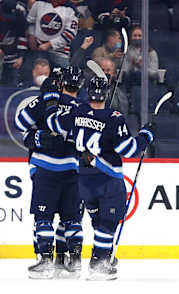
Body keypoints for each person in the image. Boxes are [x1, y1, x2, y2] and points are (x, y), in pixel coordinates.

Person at [45, 76, 157, 280]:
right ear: (105, 93)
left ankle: (104, 257)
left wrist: (52, 104)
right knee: (108, 221)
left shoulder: (76, 111)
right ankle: (99, 262)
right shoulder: (113, 117)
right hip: (108, 178)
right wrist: (145, 136)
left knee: (98, 220)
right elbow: (128, 149)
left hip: (84, 180)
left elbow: (55, 124)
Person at [14, 66, 85, 279]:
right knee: (71, 218)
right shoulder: (82, 108)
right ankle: (73, 261)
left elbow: (20, 124)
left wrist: (37, 137)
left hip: (45, 168)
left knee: (43, 216)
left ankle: (45, 261)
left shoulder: (44, 101)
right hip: (72, 169)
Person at [26, 0, 79, 67]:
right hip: (38, 50)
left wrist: (50, 44)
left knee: (62, 76)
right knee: (38, 75)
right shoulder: (39, 3)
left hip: (60, 53)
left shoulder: (71, 9)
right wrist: (31, 36)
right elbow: (31, 22)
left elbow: (70, 33)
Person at [0, 0, 28, 86]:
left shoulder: (19, 13)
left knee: (12, 86)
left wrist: (21, 56)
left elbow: (22, 35)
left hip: (13, 60)